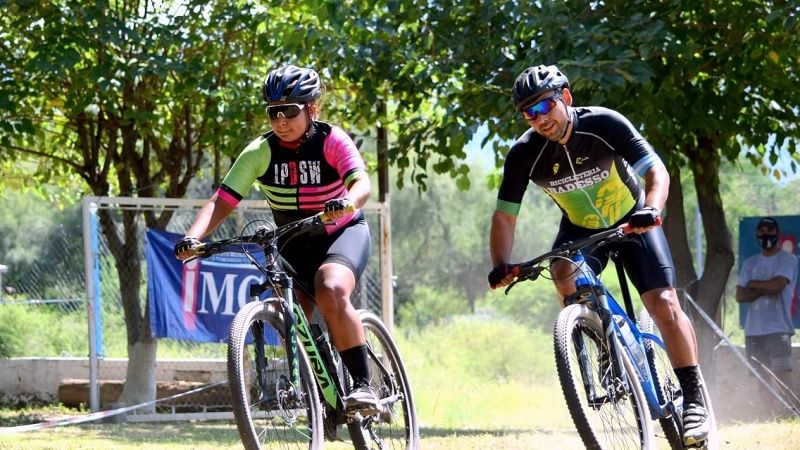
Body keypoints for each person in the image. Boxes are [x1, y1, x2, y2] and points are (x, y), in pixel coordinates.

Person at [487, 65, 710, 444]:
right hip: (582, 228)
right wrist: (500, 265)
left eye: (545, 107)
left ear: (566, 98)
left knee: (664, 302)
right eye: (529, 113)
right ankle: (601, 340)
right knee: (561, 272)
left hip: (632, 220)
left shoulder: (605, 124)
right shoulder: (524, 153)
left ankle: (693, 399)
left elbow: (656, 172)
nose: (539, 119)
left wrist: (652, 209)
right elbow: (505, 216)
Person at [174, 64, 379, 414]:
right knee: (290, 312)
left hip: (341, 233)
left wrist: (347, 201)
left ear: (311, 109)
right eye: (273, 113)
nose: (280, 120)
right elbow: (220, 202)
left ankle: (363, 386)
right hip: (293, 242)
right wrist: (193, 237)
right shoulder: (260, 151)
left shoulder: (332, 140)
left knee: (330, 289)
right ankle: (320, 393)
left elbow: (363, 185)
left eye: (289, 111)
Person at [735, 217, 798, 414]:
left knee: (782, 374)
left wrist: (753, 284)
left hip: (778, 328)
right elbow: (739, 295)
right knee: (761, 377)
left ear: (777, 233)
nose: (765, 234)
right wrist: (766, 287)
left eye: (769, 229)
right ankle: (767, 416)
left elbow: (777, 286)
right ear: (756, 235)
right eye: (761, 231)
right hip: (753, 330)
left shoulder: (788, 259)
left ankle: (794, 413)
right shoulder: (749, 263)